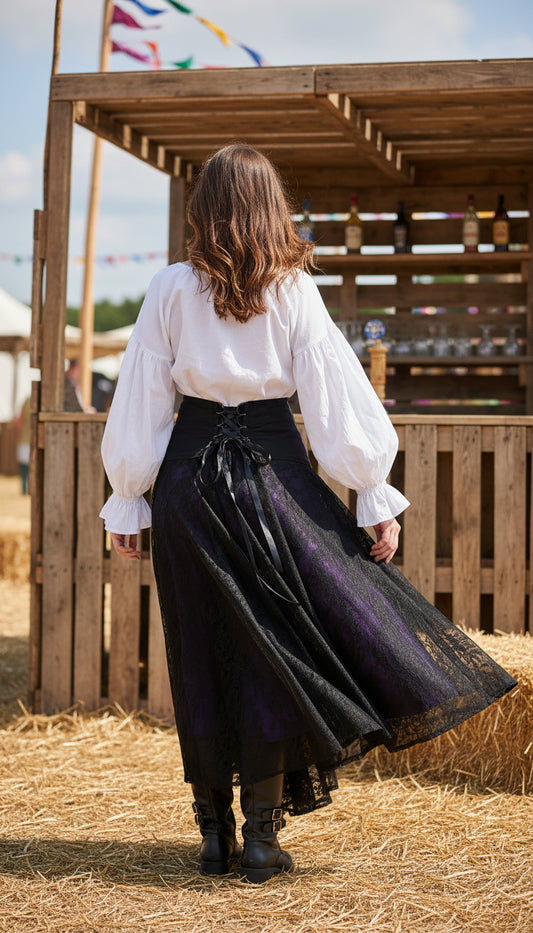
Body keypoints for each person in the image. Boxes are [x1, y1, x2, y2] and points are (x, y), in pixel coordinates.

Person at [99, 144, 517, 884]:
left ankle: (213, 837)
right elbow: (333, 399)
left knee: (198, 650)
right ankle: (260, 839)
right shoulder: (292, 289)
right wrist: (370, 494)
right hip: (272, 482)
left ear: (203, 208)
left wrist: (128, 498)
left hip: (189, 486)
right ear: (271, 207)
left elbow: (142, 397)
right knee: (272, 651)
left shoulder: (168, 288)